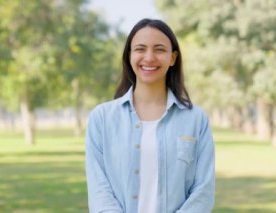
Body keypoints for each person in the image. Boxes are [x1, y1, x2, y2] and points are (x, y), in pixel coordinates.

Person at [85, 18, 215, 213]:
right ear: (129, 55)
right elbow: (99, 190)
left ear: (172, 58)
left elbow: (203, 191)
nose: (149, 57)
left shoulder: (196, 120)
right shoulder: (101, 119)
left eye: (160, 49)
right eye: (140, 49)